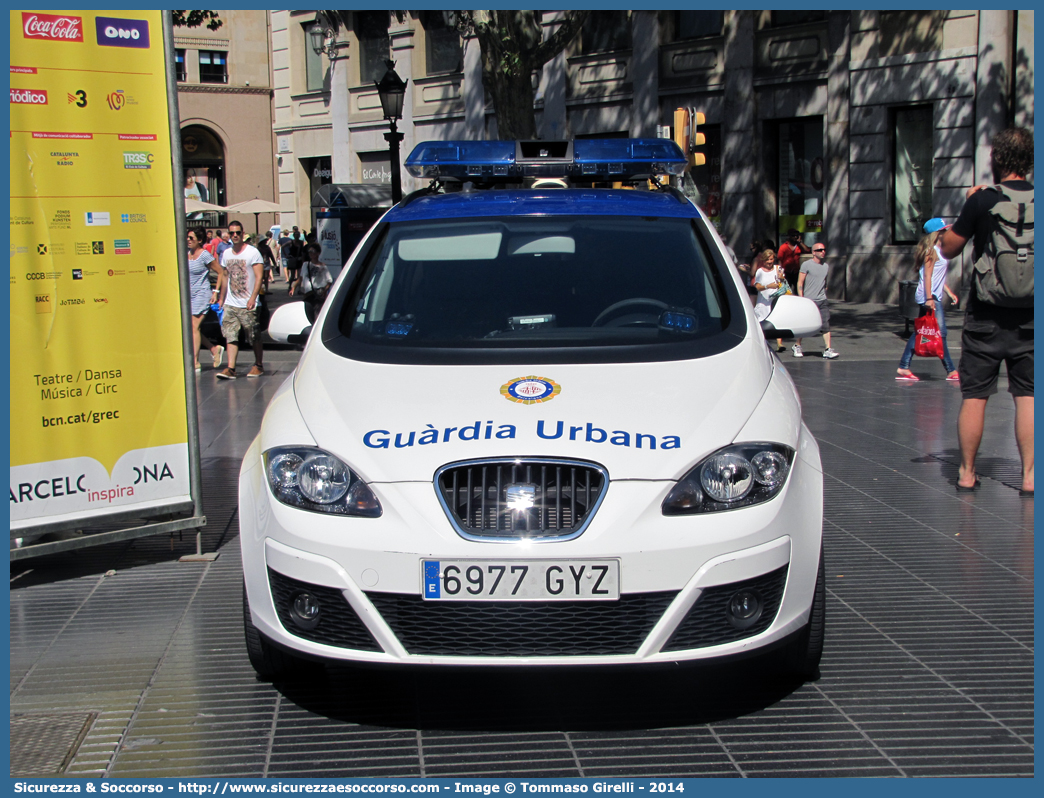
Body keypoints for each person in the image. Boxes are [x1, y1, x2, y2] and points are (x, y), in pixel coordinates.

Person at [940, 127, 1034, 495]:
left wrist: (966, 208)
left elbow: (948, 249)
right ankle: (1029, 477)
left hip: (984, 315)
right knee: (1027, 396)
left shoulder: (982, 200)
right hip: (1031, 316)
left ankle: (966, 473)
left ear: (997, 160)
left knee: (975, 395)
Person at [896, 221, 960, 381]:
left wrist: (949, 291)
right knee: (941, 333)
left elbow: (937, 276)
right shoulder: (931, 252)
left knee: (920, 332)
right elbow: (927, 276)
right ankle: (951, 371)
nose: (947, 232)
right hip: (929, 297)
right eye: (944, 230)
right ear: (937, 233)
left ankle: (904, 366)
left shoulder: (939, 250)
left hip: (933, 295)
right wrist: (929, 298)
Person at [216, 220, 265, 379]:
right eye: (232, 233)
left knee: (253, 335)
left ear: (243, 234)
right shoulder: (226, 253)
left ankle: (258, 364)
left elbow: (259, 277)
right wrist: (221, 298)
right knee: (230, 334)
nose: (235, 236)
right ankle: (231, 368)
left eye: (238, 232)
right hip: (231, 302)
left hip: (247, 303)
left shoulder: (252, 252)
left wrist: (253, 298)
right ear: (228, 235)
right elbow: (225, 276)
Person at [186, 227, 224, 372]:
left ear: (199, 240)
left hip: (202, 294)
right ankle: (214, 349)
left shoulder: (204, 255)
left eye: (191, 238)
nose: (188, 241)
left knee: (194, 327)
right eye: (187, 238)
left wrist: (215, 292)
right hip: (189, 295)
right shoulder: (187, 254)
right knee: (191, 328)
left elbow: (220, 271)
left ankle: (195, 361)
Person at [794, 241, 839, 359]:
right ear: (814, 252)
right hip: (809, 300)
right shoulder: (806, 265)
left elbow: (825, 283)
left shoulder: (826, 266)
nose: (823, 252)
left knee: (826, 325)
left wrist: (824, 292)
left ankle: (828, 349)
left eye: (824, 249)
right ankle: (797, 345)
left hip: (822, 299)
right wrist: (802, 298)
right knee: (804, 324)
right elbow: (800, 282)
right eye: (820, 250)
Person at [752, 249, 787, 352]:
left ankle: (779, 343)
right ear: (763, 260)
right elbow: (758, 287)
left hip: (774, 301)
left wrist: (782, 278)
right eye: (767, 259)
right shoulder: (760, 272)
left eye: (771, 259)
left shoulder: (778, 269)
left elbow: (784, 284)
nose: (770, 262)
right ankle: (763, 344)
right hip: (763, 303)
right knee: (762, 324)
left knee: (777, 321)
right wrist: (768, 286)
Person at [291, 243, 333, 322]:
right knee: (308, 314)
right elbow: (300, 278)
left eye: (313, 251)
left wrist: (324, 291)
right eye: (309, 251)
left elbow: (329, 281)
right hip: (308, 294)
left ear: (318, 253)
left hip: (318, 293)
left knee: (317, 315)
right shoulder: (305, 265)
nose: (310, 253)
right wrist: (293, 287)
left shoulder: (323, 266)